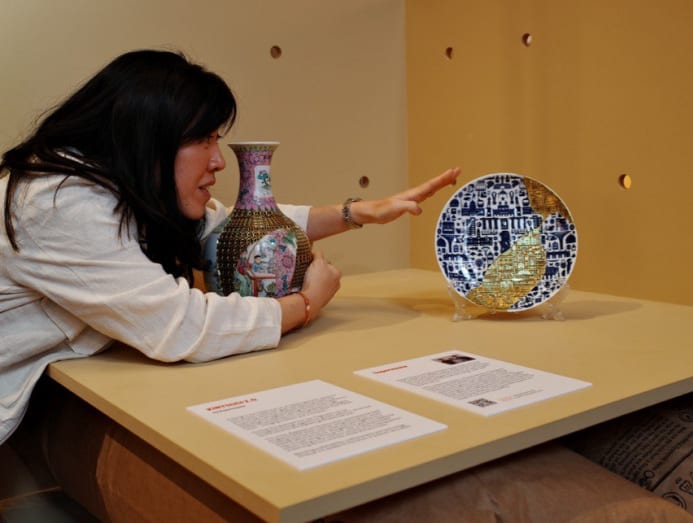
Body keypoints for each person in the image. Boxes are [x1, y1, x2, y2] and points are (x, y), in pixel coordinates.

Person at [0, 49, 460, 445]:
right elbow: (180, 327)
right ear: (147, 137)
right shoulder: (58, 204)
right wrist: (305, 304)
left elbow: (236, 225)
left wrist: (358, 212)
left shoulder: (112, 186)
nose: (219, 161)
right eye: (203, 140)